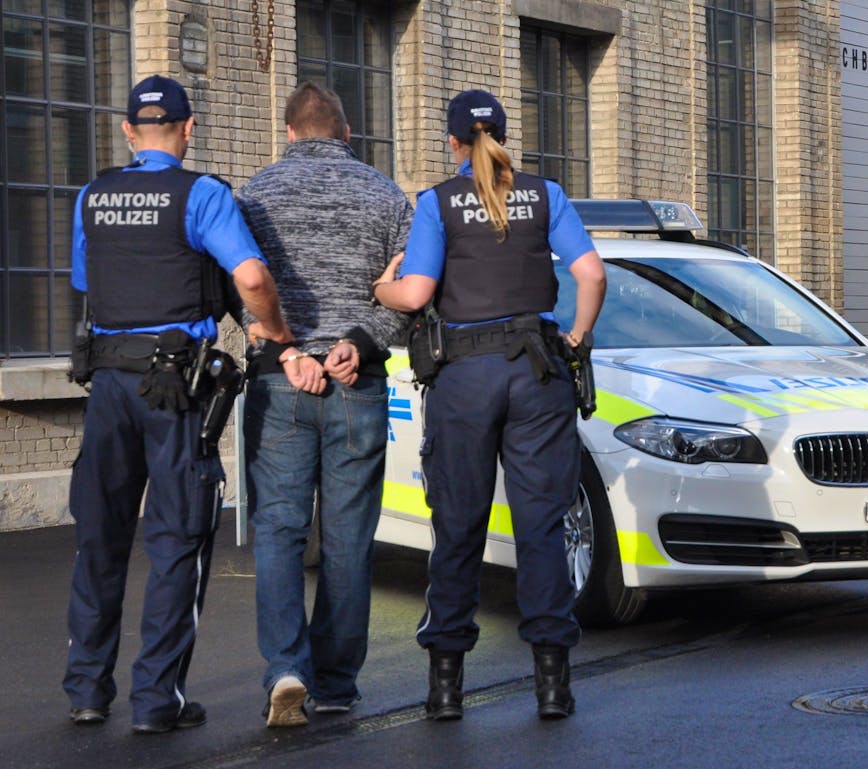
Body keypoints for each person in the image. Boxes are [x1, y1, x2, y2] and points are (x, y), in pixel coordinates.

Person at [63, 74, 298, 734]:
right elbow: (250, 276)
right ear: (189, 130)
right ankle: (155, 698)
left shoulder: (93, 195)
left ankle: (85, 689)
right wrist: (275, 330)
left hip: (109, 385)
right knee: (177, 540)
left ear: (128, 132)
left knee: (98, 536)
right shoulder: (201, 195)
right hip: (175, 391)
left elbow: (87, 281)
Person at [373, 88, 606, 720]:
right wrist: (577, 338)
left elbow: (417, 291)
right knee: (539, 529)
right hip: (538, 371)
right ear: (505, 135)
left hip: (465, 379)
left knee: (458, 528)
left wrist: (382, 286)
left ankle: (445, 690)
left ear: (452, 142)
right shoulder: (545, 194)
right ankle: (553, 687)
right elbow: (592, 276)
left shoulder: (438, 203)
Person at [236, 81, 414, 728]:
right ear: (346, 134)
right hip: (355, 384)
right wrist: (359, 342)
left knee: (279, 532)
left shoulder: (252, 195)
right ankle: (336, 681)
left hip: (280, 383)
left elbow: (239, 285)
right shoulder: (387, 195)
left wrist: (287, 352)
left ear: (289, 133)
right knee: (347, 539)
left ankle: (286, 666)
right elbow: (413, 289)